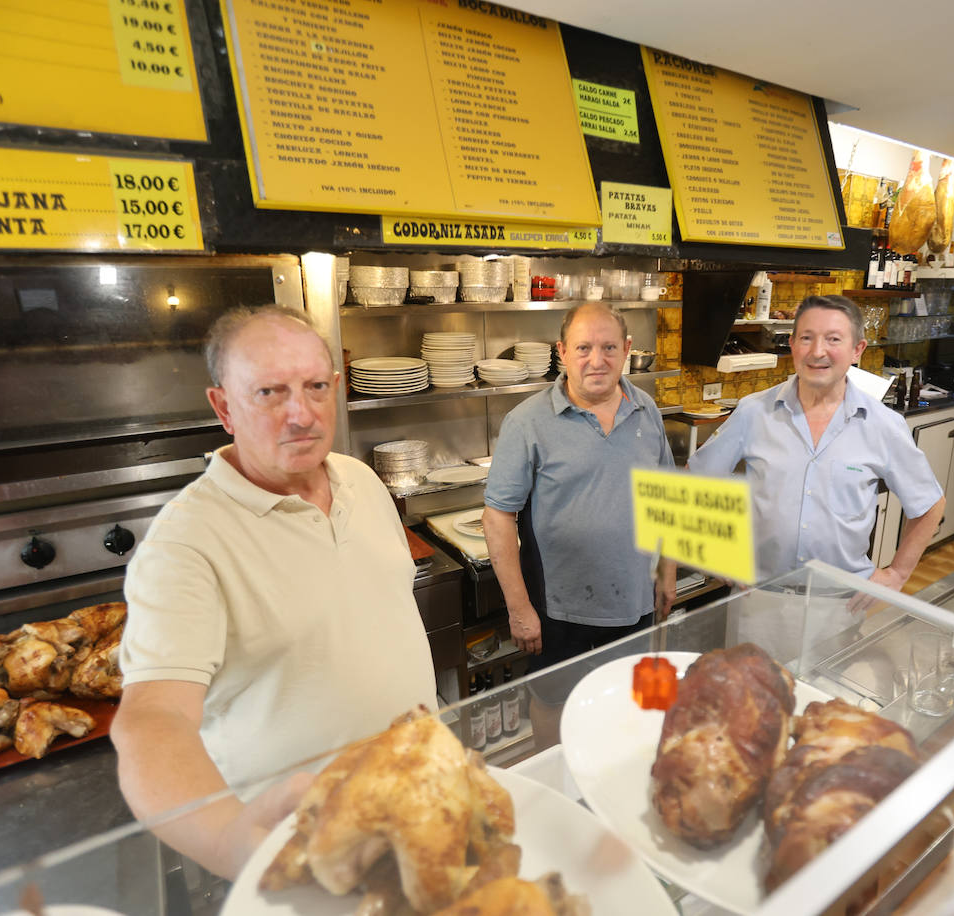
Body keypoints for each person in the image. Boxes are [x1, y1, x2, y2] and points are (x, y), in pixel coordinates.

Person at [113, 306, 436, 879]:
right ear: (224, 408)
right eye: (269, 392)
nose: (301, 415)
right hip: (307, 847)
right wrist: (230, 843)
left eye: (315, 388)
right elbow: (152, 720)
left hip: (418, 800)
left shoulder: (359, 478)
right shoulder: (186, 543)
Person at [482, 302, 675, 738]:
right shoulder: (527, 422)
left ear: (626, 350)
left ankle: (616, 784)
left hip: (633, 602)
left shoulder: (647, 410)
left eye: (609, 347)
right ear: (562, 352)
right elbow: (497, 517)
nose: (597, 359)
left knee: (629, 703)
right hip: (557, 609)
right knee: (553, 702)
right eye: (583, 347)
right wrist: (519, 609)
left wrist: (667, 572)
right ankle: (558, 794)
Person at [688, 295, 945, 606]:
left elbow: (930, 504)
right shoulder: (753, 412)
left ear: (856, 350)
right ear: (793, 344)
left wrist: (897, 574)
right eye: (806, 338)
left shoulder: (883, 425)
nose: (817, 351)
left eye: (833, 339)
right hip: (756, 598)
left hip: (840, 601)